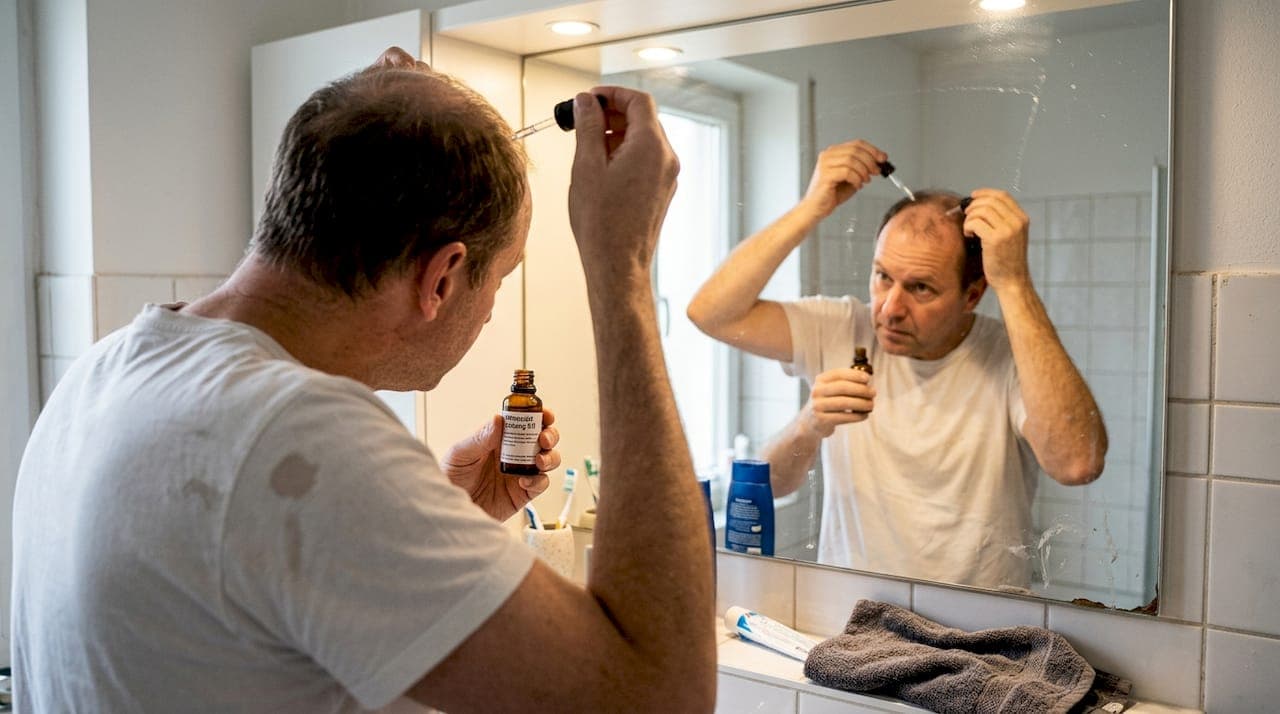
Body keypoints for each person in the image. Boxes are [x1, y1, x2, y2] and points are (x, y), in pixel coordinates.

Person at [12, 48, 715, 712]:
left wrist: (443, 515)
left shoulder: (108, 371)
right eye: (501, 277)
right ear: (441, 277)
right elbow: (659, 696)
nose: (493, 306)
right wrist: (621, 268)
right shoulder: (300, 436)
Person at [686, 139, 1107, 589]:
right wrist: (812, 207)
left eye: (921, 288)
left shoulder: (1009, 355)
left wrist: (1015, 282)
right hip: (855, 626)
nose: (888, 309)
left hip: (981, 635)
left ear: (972, 295)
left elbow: (1077, 463)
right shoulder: (841, 328)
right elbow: (710, 312)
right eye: (883, 276)